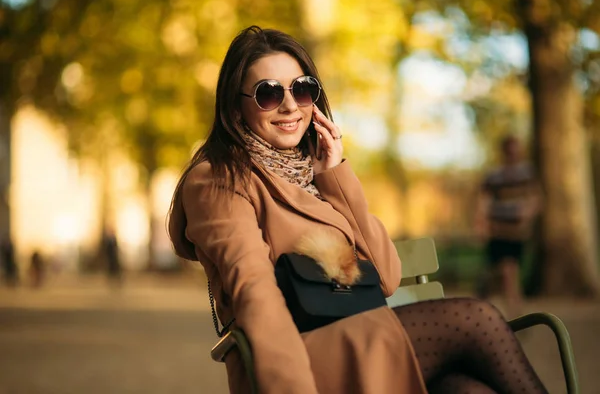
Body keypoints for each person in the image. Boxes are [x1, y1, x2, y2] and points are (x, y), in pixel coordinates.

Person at [168, 26, 548, 394]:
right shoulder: (219, 178)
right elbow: (255, 293)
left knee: (466, 389)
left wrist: (334, 176)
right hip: (297, 358)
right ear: (236, 108)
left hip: (358, 340)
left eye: (302, 89)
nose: (289, 105)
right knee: (475, 319)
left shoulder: (312, 176)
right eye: (268, 93)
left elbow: (385, 277)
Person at [475, 135, 542, 317]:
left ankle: (516, 314)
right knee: (499, 275)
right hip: (497, 232)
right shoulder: (494, 175)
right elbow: (484, 200)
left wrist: (527, 215)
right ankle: (504, 312)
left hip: (516, 235)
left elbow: (535, 198)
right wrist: (481, 224)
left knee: (509, 273)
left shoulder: (527, 173)